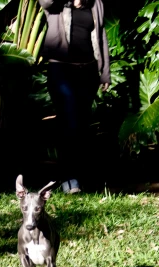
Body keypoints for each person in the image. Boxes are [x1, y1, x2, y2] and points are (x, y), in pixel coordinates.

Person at [39, 0, 111, 193]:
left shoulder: (95, 4)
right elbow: (45, 3)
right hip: (61, 69)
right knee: (69, 122)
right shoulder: (58, 5)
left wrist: (105, 71)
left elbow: (100, 35)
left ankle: (78, 177)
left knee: (81, 125)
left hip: (87, 71)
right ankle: (68, 178)